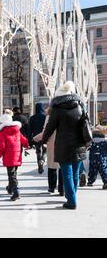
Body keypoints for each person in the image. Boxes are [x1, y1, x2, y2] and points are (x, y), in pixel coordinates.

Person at [42, 81, 87, 210]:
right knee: (75, 172)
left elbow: (50, 127)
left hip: (63, 145)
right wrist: (87, 142)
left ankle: (72, 201)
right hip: (79, 144)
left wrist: (44, 140)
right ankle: (72, 196)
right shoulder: (80, 106)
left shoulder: (56, 109)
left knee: (67, 173)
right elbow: (86, 125)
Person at [0, 112, 29, 201]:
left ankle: (16, 192)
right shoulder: (17, 130)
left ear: (3, 123)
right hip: (17, 156)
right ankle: (10, 189)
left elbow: (2, 146)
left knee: (11, 175)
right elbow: (24, 139)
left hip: (9, 157)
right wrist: (26, 145)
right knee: (13, 174)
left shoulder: (3, 133)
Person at [33, 107, 64, 196]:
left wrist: (34, 139)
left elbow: (46, 132)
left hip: (52, 144)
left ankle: (52, 187)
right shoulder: (65, 114)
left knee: (52, 167)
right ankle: (62, 189)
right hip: (64, 143)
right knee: (63, 167)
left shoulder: (50, 117)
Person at [28, 102, 47, 174]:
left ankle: (39, 162)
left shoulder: (32, 118)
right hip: (45, 136)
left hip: (36, 137)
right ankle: (42, 160)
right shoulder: (45, 116)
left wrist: (30, 140)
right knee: (45, 151)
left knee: (38, 151)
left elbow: (30, 130)